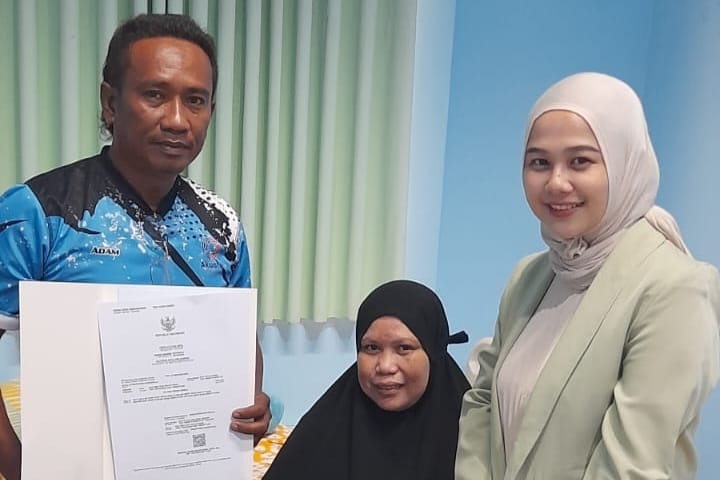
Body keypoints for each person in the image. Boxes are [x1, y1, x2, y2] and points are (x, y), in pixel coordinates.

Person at [0, 13, 270, 477]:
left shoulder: (221, 224)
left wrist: (252, 403)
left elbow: (242, 341)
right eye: (155, 95)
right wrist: (25, 467)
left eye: (196, 100)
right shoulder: (39, 212)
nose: (178, 120)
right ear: (110, 102)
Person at [455, 72, 720, 479]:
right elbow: (483, 401)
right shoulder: (529, 276)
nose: (556, 182)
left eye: (580, 161)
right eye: (539, 162)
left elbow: (631, 467)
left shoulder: (675, 289)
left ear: (623, 161)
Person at [263, 280, 471, 480]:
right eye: (372, 348)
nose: (386, 366)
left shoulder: (470, 438)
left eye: (404, 348)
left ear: (433, 353)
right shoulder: (325, 431)